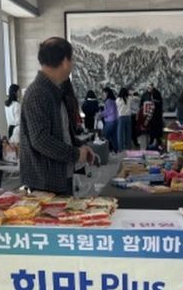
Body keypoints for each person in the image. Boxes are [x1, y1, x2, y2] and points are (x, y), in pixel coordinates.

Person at [19, 37, 95, 195]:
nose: (72, 64)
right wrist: (75, 154)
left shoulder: (53, 91)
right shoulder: (38, 93)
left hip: (59, 177)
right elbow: (41, 140)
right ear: (65, 61)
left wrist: (80, 147)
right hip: (46, 182)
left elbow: (61, 134)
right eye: (72, 59)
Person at [101, 87, 119, 152]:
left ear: (107, 93)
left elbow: (109, 111)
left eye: (103, 93)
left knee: (104, 136)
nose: (102, 94)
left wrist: (100, 114)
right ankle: (116, 151)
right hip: (115, 120)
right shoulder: (113, 100)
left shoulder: (108, 101)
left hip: (109, 122)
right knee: (114, 138)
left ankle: (105, 151)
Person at [116, 87, 132, 152]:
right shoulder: (129, 99)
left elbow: (116, 108)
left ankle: (121, 149)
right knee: (128, 133)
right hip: (128, 117)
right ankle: (128, 148)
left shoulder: (118, 100)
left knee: (120, 134)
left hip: (121, 117)